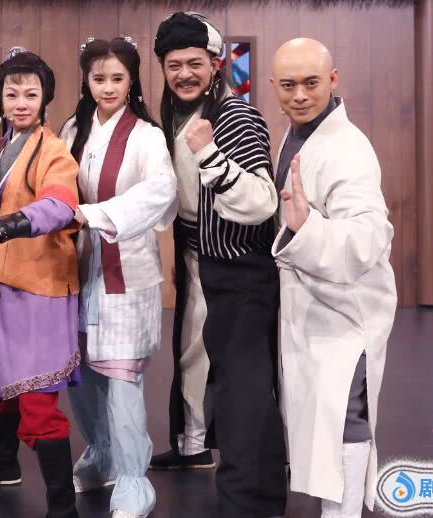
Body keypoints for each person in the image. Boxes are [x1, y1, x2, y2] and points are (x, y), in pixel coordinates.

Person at [152, 11, 287, 517]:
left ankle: (249, 500)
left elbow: (262, 201)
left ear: (216, 64)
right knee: (196, 363)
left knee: (242, 386)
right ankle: (194, 449)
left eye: (194, 63)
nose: (184, 74)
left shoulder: (236, 117)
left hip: (241, 267)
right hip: (201, 259)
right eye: (173, 65)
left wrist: (209, 155)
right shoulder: (175, 115)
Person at [269, 38, 396, 518]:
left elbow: (370, 236)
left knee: (345, 414)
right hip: (313, 303)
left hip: (347, 310)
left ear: (334, 79)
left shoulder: (348, 150)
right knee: (323, 416)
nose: (300, 95)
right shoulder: (297, 133)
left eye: (311, 83)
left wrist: (307, 228)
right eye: (288, 85)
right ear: (274, 86)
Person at [0, 48, 80, 518]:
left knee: (37, 397)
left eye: (30, 94)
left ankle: (63, 507)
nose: (20, 103)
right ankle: (1, 461)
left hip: (38, 284)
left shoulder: (55, 151)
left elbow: (59, 207)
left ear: (46, 98)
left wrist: (0, 228)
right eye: (11, 94)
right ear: (0, 99)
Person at [59, 37, 177, 518]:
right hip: (75, 266)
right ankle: (102, 452)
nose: (107, 87)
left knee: (121, 374)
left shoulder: (147, 136)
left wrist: (94, 214)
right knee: (82, 372)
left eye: (117, 78)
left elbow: (161, 192)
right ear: (86, 81)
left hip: (125, 269)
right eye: (98, 78)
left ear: (132, 82)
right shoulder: (73, 129)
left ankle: (132, 479)